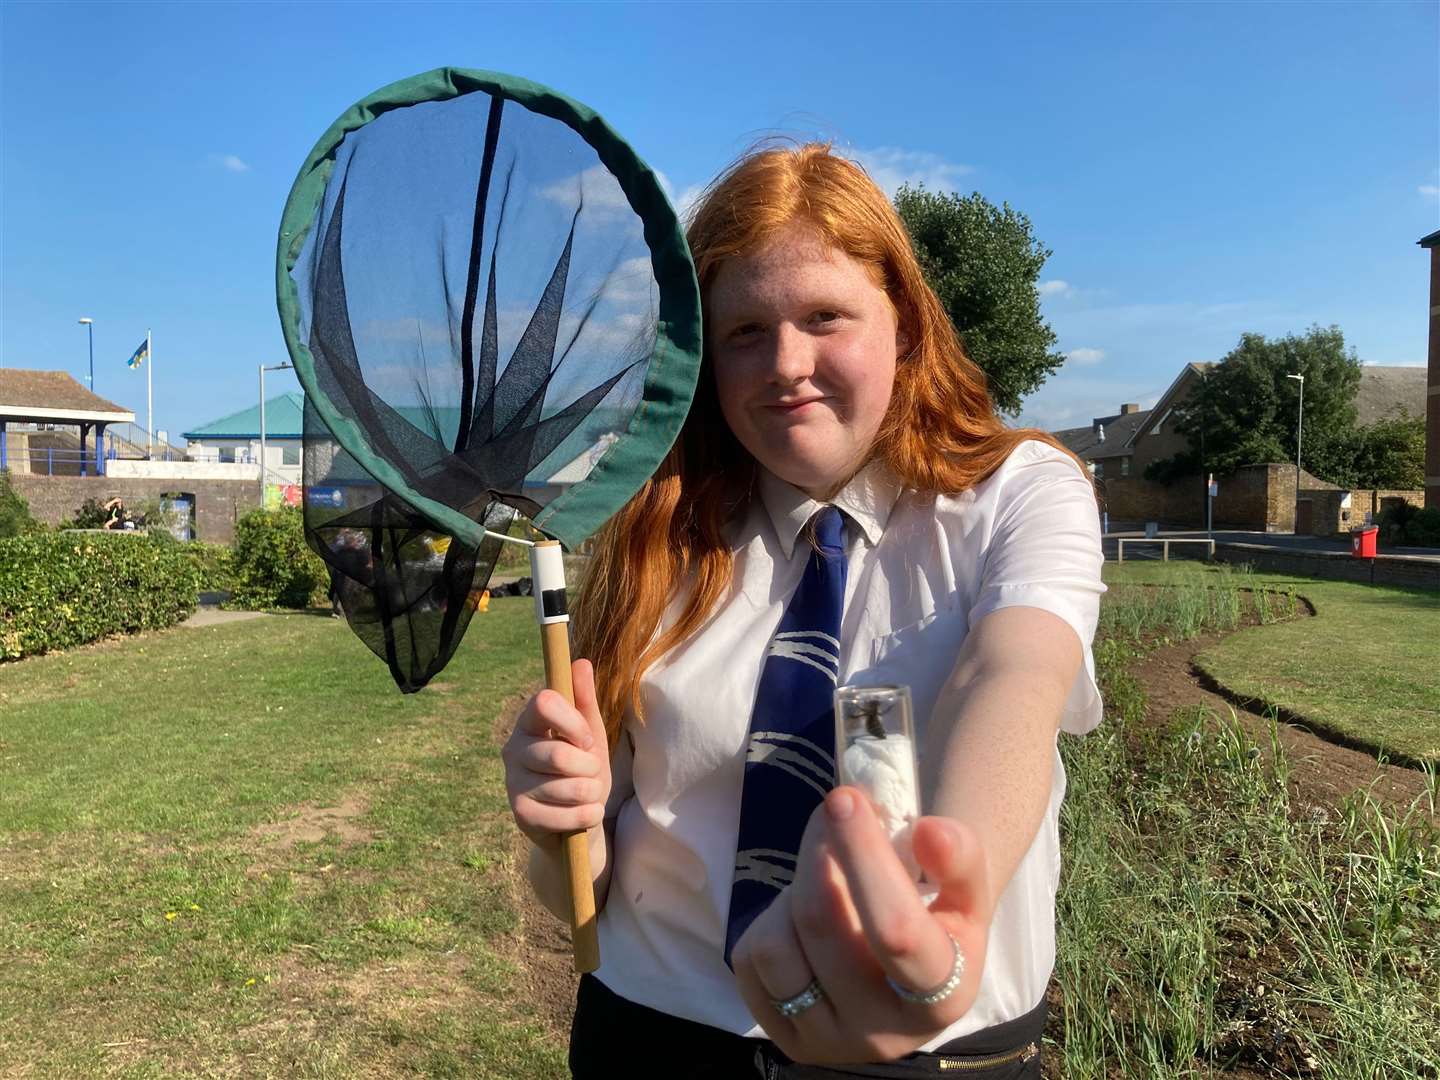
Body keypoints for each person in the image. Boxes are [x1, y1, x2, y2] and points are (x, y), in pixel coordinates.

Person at [503, 144, 1104, 1078]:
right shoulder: (657, 535)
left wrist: (952, 905)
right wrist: (558, 832)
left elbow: (1013, 675)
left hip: (935, 1051)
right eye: (743, 330)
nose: (785, 364)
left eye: (826, 316)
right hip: (655, 1041)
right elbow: (586, 882)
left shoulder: (1020, 493)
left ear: (903, 321)